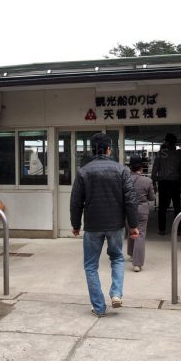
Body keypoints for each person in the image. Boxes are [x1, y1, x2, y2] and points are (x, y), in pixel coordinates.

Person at [70, 133, 140, 317]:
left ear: (92, 150)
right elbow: (130, 200)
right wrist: (133, 224)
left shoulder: (84, 171)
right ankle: (116, 294)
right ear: (109, 149)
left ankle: (99, 307)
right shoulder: (121, 170)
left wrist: (76, 224)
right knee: (117, 258)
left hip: (92, 225)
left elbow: (76, 202)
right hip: (116, 224)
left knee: (91, 265)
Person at [151, 133, 181, 235]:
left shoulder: (160, 154)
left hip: (163, 183)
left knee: (162, 207)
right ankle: (179, 229)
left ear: (166, 142)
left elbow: (154, 171)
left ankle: (162, 229)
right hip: (175, 183)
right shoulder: (179, 154)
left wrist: (155, 182)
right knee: (177, 207)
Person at [126, 155, 155, 272]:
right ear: (142, 167)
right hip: (142, 210)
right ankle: (137, 263)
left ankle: (131, 254)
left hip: (128, 209)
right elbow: (152, 198)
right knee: (140, 234)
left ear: (130, 167)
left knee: (131, 230)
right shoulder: (147, 181)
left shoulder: (125, 179)